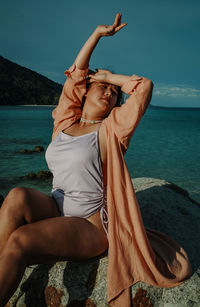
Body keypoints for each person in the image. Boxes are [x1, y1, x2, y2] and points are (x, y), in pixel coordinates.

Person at [0, 13, 191, 307]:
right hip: (56, 206)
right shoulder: (63, 121)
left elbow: (144, 88)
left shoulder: (112, 130)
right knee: (15, 196)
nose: (111, 93)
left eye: (115, 94)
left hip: (89, 225)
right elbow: (76, 75)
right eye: (103, 87)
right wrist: (96, 35)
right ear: (85, 92)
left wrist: (108, 77)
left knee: (21, 240)